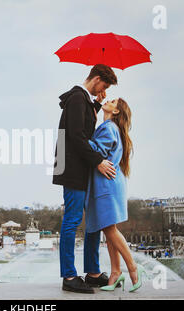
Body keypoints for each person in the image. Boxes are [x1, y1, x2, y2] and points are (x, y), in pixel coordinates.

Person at [53, 64, 118, 293]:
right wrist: (99, 161)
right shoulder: (79, 99)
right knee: (72, 221)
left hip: (79, 167)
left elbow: (84, 131)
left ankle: (91, 272)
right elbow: (77, 137)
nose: (104, 89)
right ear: (97, 78)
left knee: (92, 222)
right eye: (105, 85)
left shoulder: (83, 100)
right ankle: (69, 277)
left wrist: (98, 104)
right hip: (74, 169)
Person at [84, 98, 145, 292]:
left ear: (116, 111)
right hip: (110, 184)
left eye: (112, 101)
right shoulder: (110, 127)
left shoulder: (108, 128)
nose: (107, 100)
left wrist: (80, 138)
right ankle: (115, 273)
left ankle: (133, 268)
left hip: (106, 186)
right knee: (108, 229)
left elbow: (97, 151)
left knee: (110, 230)